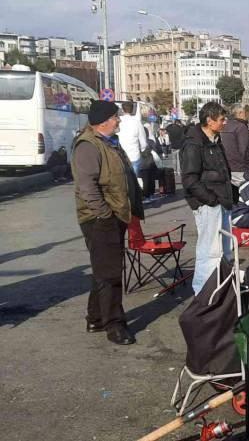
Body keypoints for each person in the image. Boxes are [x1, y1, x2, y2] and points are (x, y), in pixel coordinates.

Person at [71, 100, 144, 345]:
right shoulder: (88, 146)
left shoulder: (108, 143)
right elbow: (87, 187)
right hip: (101, 218)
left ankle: (95, 318)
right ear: (103, 121)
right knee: (111, 273)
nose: (119, 120)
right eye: (115, 117)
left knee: (103, 269)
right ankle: (115, 324)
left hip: (115, 214)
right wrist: (104, 214)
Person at [180, 102, 233, 295]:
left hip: (222, 201)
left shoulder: (215, 140)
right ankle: (203, 294)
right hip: (209, 204)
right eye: (221, 119)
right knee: (209, 252)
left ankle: (223, 289)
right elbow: (189, 179)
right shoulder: (193, 144)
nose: (225, 122)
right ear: (209, 121)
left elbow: (222, 171)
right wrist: (211, 200)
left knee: (225, 251)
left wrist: (229, 196)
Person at [221, 104, 249, 187]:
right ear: (240, 113)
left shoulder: (224, 126)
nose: (246, 115)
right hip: (240, 169)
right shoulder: (241, 127)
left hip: (227, 166)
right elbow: (244, 150)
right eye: (245, 113)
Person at [117, 101, 149, 176]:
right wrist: (142, 150)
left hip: (120, 156)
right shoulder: (137, 122)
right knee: (135, 181)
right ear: (132, 109)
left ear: (122, 109)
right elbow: (143, 142)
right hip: (134, 156)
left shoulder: (118, 121)